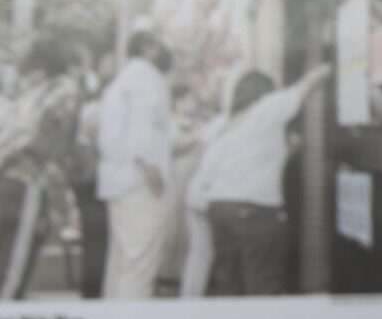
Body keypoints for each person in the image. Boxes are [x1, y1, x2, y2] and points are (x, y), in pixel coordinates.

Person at [187, 62, 331, 296]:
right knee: (261, 283)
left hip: (219, 207)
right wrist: (334, 65)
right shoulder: (266, 108)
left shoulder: (227, 122)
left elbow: (222, 161)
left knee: (228, 283)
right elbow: (306, 85)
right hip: (254, 209)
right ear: (266, 92)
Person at [0, 36, 82, 299]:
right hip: (27, 182)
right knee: (14, 267)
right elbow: (35, 139)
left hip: (11, 180)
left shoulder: (25, 93)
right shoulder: (61, 90)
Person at [96, 30, 174, 300]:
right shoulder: (147, 78)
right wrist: (150, 168)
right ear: (149, 48)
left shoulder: (121, 81)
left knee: (121, 262)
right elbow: (142, 127)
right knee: (140, 264)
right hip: (139, 179)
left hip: (118, 180)